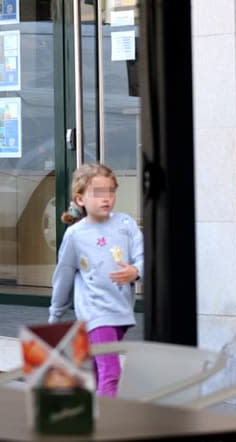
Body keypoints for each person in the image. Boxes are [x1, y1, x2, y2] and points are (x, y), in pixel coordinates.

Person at [48, 163, 143, 397]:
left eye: (111, 191)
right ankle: (106, 428)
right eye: (98, 193)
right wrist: (55, 314)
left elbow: (143, 257)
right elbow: (64, 275)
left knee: (97, 372)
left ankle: (89, 417)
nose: (106, 198)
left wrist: (136, 271)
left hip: (120, 311)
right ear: (80, 199)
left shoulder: (126, 224)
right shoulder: (75, 235)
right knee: (110, 372)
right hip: (94, 314)